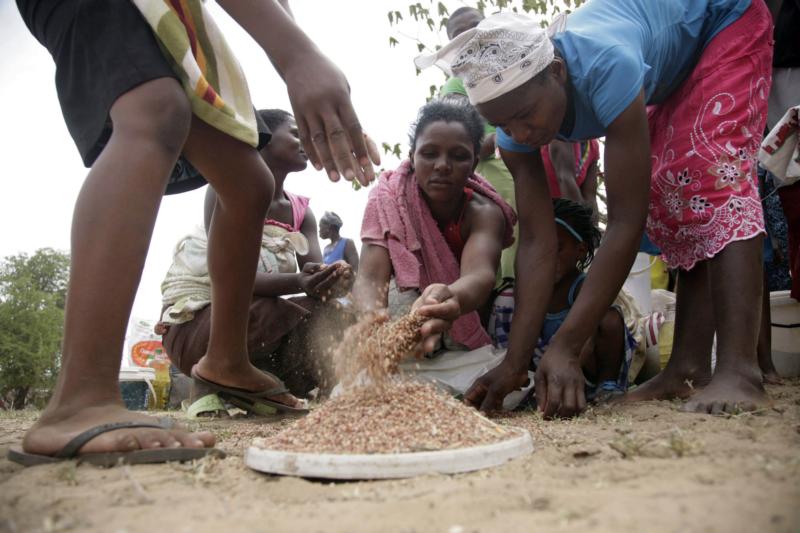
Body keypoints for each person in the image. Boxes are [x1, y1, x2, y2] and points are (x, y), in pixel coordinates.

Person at [10, 0, 376, 465]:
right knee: (155, 109)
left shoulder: (302, 211)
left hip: (170, 11)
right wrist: (296, 56)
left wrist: (298, 54)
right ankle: (78, 398)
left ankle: (227, 361)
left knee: (248, 184)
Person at [416, 0, 772, 417]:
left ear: (557, 72)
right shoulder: (517, 133)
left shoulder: (607, 66)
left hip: (722, 17)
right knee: (673, 195)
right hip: (671, 65)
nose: (521, 134)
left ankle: (740, 368)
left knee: (711, 171)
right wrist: (515, 362)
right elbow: (536, 242)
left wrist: (567, 345)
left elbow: (624, 220)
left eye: (526, 116)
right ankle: (687, 367)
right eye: (505, 126)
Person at [157, 109, 354, 414]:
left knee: (333, 316)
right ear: (263, 139)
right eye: (295, 133)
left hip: (261, 327)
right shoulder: (227, 186)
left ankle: (261, 386)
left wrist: (331, 281)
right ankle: (207, 382)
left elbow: (313, 277)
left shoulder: (303, 213)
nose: (305, 142)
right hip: (200, 328)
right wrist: (299, 282)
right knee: (263, 310)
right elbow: (229, 277)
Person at [351, 101, 517, 395]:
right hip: (400, 325)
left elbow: (480, 276)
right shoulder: (386, 199)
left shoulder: (482, 212)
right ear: (412, 157)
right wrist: (373, 325)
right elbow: (369, 279)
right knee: (360, 389)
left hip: (458, 323)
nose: (442, 165)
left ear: (475, 162)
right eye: (429, 154)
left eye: (458, 156)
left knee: (505, 391)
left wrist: (449, 297)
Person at [530, 199, 636, 403]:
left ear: (580, 250)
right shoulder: (531, 287)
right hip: (543, 368)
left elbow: (586, 344)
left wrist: (563, 373)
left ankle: (607, 386)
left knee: (609, 317)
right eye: (541, 248)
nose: (547, 257)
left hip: (583, 364)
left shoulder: (581, 287)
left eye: (557, 248)